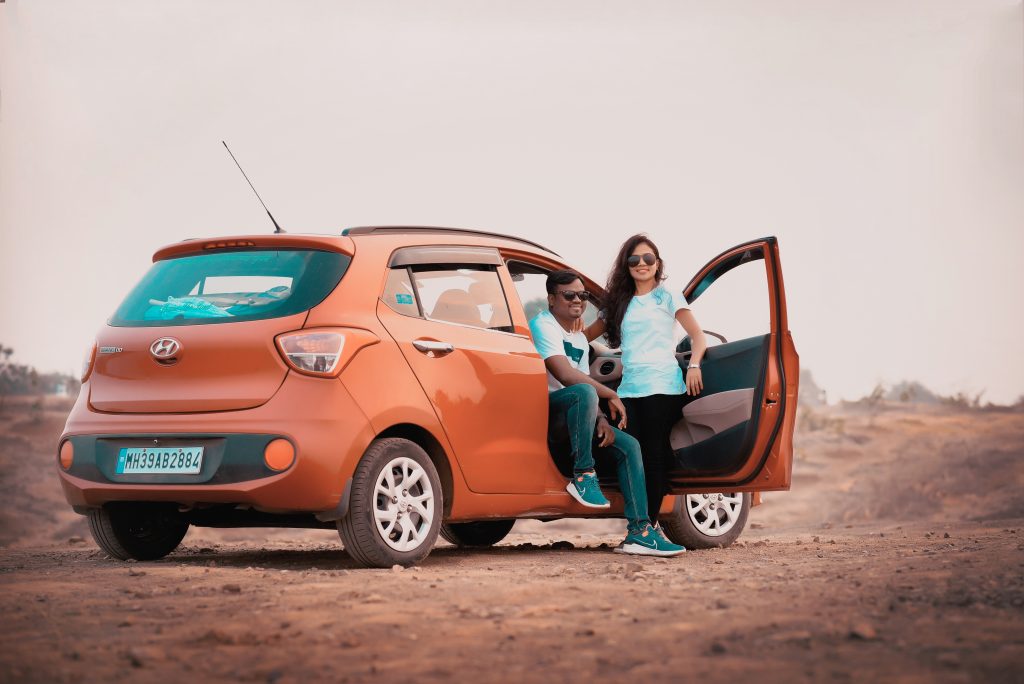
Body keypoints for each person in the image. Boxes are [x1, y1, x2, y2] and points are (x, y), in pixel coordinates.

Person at [528, 269, 685, 556]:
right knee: (585, 391)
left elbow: (583, 380)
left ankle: (640, 531)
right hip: (547, 415)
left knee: (628, 445)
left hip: (577, 417)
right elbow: (565, 375)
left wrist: (600, 420)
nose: (577, 300)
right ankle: (584, 475)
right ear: (552, 299)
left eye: (583, 295)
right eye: (569, 295)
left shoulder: (577, 337)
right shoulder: (543, 325)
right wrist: (610, 394)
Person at [584, 235, 708, 526]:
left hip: (663, 385)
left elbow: (699, 336)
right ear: (626, 266)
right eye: (634, 260)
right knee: (631, 456)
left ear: (657, 263)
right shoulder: (619, 303)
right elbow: (585, 335)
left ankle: (648, 526)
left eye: (648, 259)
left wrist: (694, 365)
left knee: (653, 455)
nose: (642, 264)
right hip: (629, 390)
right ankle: (639, 524)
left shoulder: (668, 296)